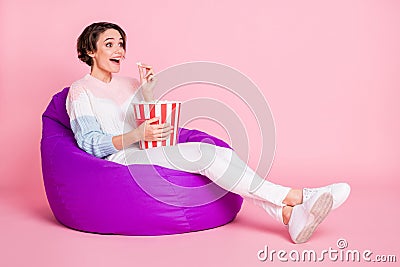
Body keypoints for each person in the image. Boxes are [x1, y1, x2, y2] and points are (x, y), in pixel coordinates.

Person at [66, 22, 351, 244]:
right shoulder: (81, 90)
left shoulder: (129, 83)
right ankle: (297, 197)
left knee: (219, 155)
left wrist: (148, 92)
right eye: (110, 44)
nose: (120, 51)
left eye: (121, 44)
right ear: (91, 51)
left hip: (145, 151)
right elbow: (90, 144)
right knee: (207, 155)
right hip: (117, 160)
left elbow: (147, 123)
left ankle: (287, 215)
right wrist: (136, 136)